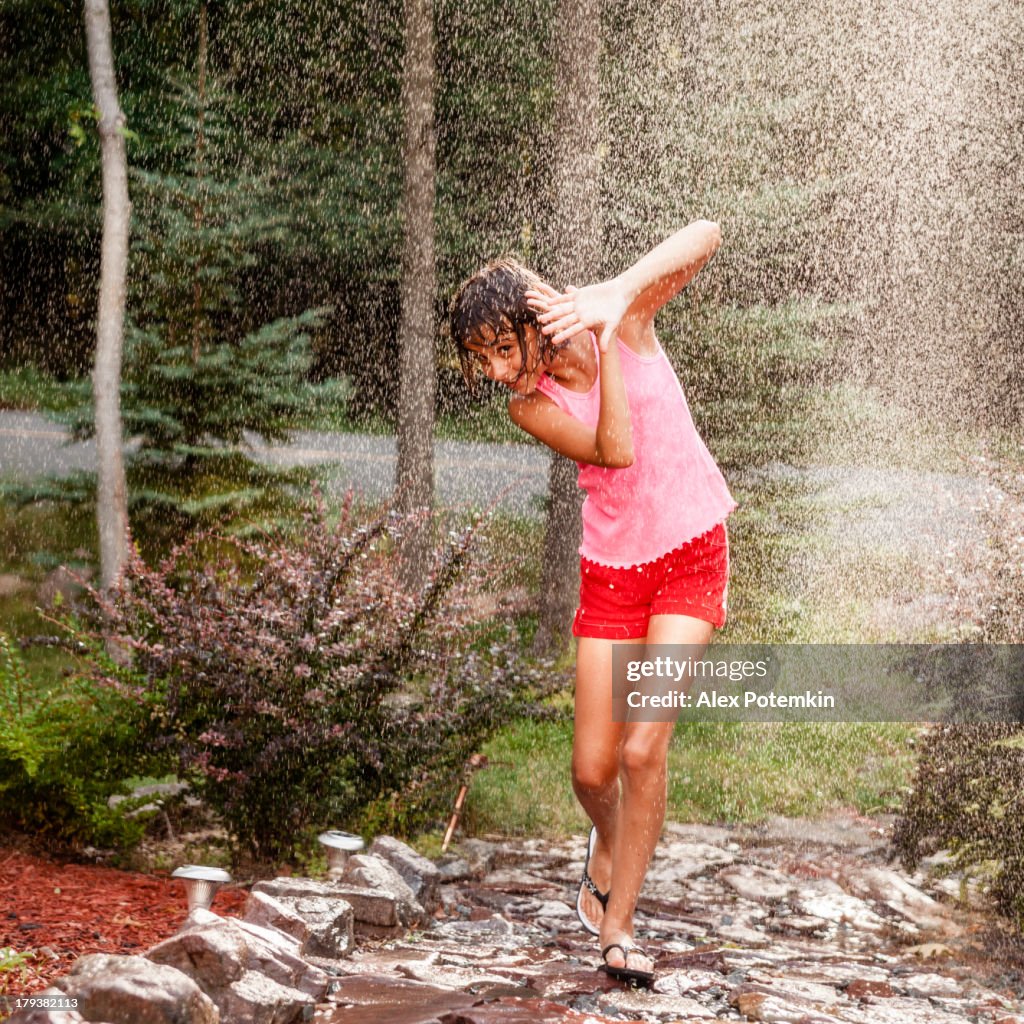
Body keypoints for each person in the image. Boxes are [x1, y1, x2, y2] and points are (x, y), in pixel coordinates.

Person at [449, 221, 736, 986]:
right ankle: (611, 840)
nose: (494, 370)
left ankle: (620, 923)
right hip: (612, 574)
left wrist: (615, 300)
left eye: (500, 348)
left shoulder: (629, 318)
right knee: (590, 771)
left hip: (690, 555)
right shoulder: (530, 406)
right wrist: (604, 347)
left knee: (644, 750)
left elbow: (706, 233)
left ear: (533, 324)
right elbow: (615, 449)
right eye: (480, 359)